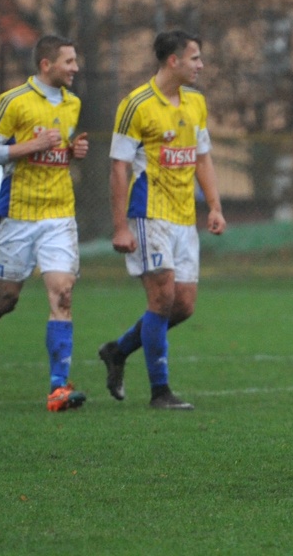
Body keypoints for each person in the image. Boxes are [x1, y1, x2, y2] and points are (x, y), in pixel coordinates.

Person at [98, 30, 225, 410]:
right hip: (147, 213)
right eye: (195, 58)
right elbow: (119, 167)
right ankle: (160, 391)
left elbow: (202, 157)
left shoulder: (196, 103)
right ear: (174, 60)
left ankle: (117, 350)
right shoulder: (137, 104)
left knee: (183, 305)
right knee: (162, 296)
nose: (201, 65)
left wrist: (215, 207)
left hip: (184, 217)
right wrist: (120, 225)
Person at [0, 35, 90, 412]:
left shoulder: (72, 103)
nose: (76, 68)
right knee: (5, 300)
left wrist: (71, 152)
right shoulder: (13, 101)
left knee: (62, 293)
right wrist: (28, 147)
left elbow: (56, 152)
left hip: (58, 215)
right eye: (69, 61)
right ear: (46, 65)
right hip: (16, 215)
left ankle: (58, 389)